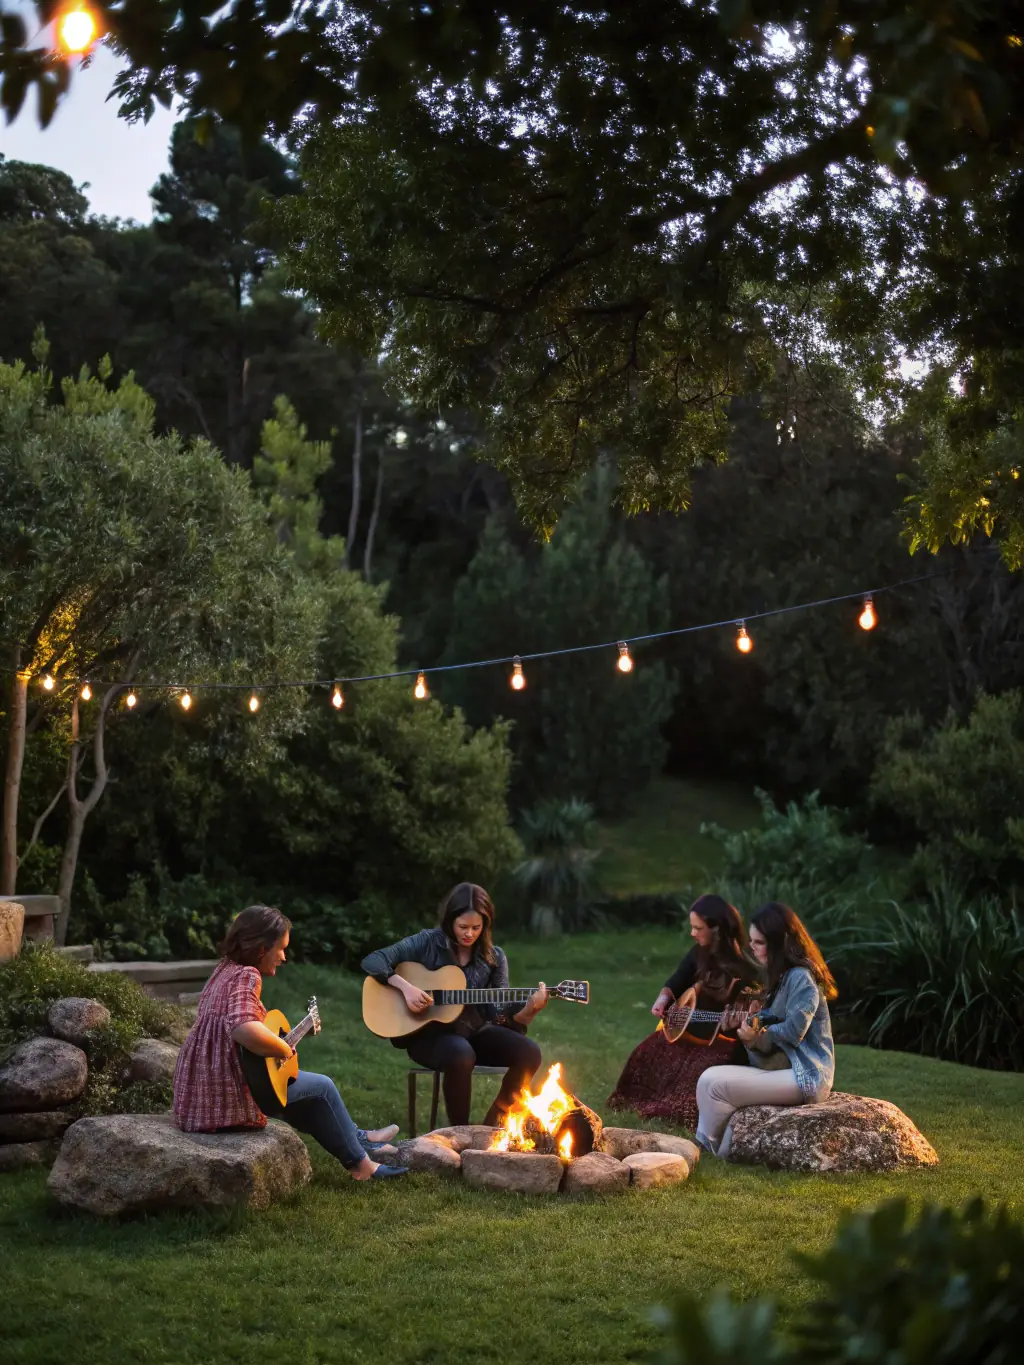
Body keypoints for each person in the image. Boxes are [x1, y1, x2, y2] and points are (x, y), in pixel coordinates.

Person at [173, 904, 407, 1180]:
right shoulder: (247, 975)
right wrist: (284, 1047)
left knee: (303, 1095)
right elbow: (242, 1029)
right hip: (226, 1094)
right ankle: (364, 1165)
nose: (284, 957)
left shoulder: (225, 969)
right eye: (281, 949)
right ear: (262, 949)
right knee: (322, 1087)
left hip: (204, 1092)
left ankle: (360, 1140)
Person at [361, 883, 548, 1127]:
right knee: (461, 1053)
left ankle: (492, 1127)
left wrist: (528, 1011)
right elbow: (373, 960)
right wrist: (405, 987)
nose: (469, 934)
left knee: (529, 1053)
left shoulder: (493, 957)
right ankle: (460, 1132)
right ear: (450, 921)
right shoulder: (426, 941)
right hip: (429, 1037)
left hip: (474, 1034)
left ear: (485, 926)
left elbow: (499, 1013)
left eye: (476, 928)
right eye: (463, 927)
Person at [694, 900, 837, 1157]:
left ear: (779, 943)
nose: (752, 947)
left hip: (805, 1075)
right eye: (752, 941)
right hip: (786, 1071)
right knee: (708, 1079)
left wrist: (757, 1037)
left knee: (714, 1085)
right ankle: (710, 1147)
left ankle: (706, 1148)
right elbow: (769, 1020)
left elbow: (794, 1031)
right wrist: (743, 1025)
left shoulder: (801, 978)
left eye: (758, 942)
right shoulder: (782, 977)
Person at [607, 893, 762, 1129]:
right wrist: (663, 999)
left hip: (722, 1045)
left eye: (697, 928)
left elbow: (748, 1026)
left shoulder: (747, 971)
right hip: (687, 1033)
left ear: (717, 929)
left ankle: (682, 1111)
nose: (692, 933)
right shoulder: (697, 953)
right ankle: (638, 1100)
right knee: (647, 1050)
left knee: (694, 1076)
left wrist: (734, 1026)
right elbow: (677, 980)